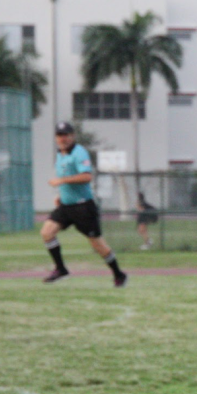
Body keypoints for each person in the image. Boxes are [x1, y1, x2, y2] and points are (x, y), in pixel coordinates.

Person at [40, 121, 127, 286]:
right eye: (60, 135)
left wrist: (61, 181)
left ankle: (119, 274)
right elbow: (66, 177)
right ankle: (60, 269)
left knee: (98, 245)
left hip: (83, 207)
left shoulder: (79, 153)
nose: (63, 138)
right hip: (66, 206)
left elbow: (86, 177)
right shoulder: (60, 154)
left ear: (72, 136)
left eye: (66, 135)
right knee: (47, 232)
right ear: (55, 138)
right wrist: (60, 194)